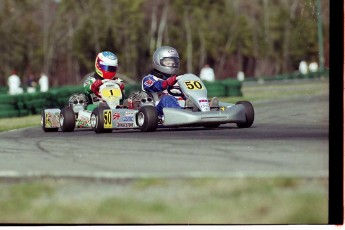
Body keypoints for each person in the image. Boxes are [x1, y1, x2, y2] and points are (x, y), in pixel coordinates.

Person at [141, 46, 182, 117]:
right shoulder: (149, 78)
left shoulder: (178, 79)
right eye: (168, 63)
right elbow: (154, 86)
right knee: (167, 98)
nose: (171, 65)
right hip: (157, 111)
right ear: (158, 61)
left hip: (180, 106)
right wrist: (166, 83)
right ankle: (181, 116)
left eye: (173, 63)